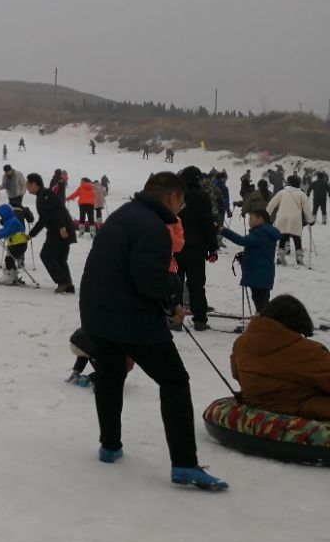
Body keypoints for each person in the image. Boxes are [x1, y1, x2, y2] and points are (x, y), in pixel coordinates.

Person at [79, 171, 227, 490]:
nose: (182, 208)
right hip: (129, 317)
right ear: (172, 196)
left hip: (96, 313)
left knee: (111, 375)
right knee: (174, 379)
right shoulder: (153, 228)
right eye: (182, 201)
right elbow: (148, 279)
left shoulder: (124, 215)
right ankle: (185, 464)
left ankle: (110, 446)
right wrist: (175, 294)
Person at [230, 295, 330, 421]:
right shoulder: (304, 351)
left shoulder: (241, 343)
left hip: (257, 403)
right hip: (302, 409)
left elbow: (236, 375)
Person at [177, 166, 219, 330]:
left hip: (176, 247)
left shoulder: (176, 195)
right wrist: (212, 247)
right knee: (197, 285)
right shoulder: (203, 196)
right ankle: (200, 319)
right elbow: (207, 224)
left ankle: (175, 319)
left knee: (175, 284)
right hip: (197, 249)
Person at [221, 208, 280, 313]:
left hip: (258, 274)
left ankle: (262, 323)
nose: (249, 221)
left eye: (251, 219)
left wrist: (223, 231)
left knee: (260, 302)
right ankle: (263, 321)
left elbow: (242, 241)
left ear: (260, 219)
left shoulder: (260, 233)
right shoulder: (267, 232)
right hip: (264, 273)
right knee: (262, 300)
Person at [28, 172, 76, 293]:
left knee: (46, 255)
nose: (27, 187)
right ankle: (68, 285)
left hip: (59, 230)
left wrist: (62, 227)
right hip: (61, 229)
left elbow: (58, 209)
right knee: (60, 258)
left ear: (34, 184)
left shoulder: (45, 194)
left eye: (28, 184)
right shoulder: (42, 195)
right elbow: (43, 219)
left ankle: (63, 282)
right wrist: (31, 234)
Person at [267, 174, 314, 266]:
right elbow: (307, 210)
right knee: (297, 238)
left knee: (283, 237)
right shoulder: (302, 194)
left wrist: (266, 215)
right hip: (295, 219)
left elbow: (271, 205)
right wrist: (310, 220)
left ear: (289, 183)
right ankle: (299, 258)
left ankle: (280, 256)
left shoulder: (282, 192)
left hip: (282, 218)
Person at [0, 203, 30, 285]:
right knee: (10, 259)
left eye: (2, 215)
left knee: (9, 259)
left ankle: (9, 276)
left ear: (6, 214)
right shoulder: (10, 221)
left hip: (19, 245)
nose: (1, 217)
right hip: (17, 244)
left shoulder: (12, 221)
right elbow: (5, 230)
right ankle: (13, 275)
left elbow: (7, 232)